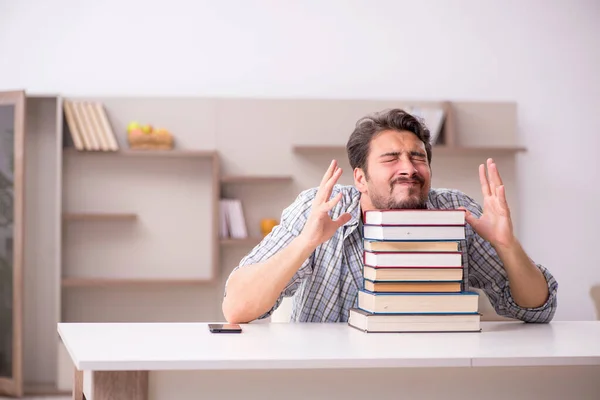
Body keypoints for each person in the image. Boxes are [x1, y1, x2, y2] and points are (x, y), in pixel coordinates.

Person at [222, 108, 558, 324]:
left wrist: (507, 244)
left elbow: (538, 308)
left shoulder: (455, 212)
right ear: (360, 178)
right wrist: (307, 241)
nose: (409, 169)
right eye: (391, 158)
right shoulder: (323, 207)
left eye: (417, 157)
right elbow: (237, 308)